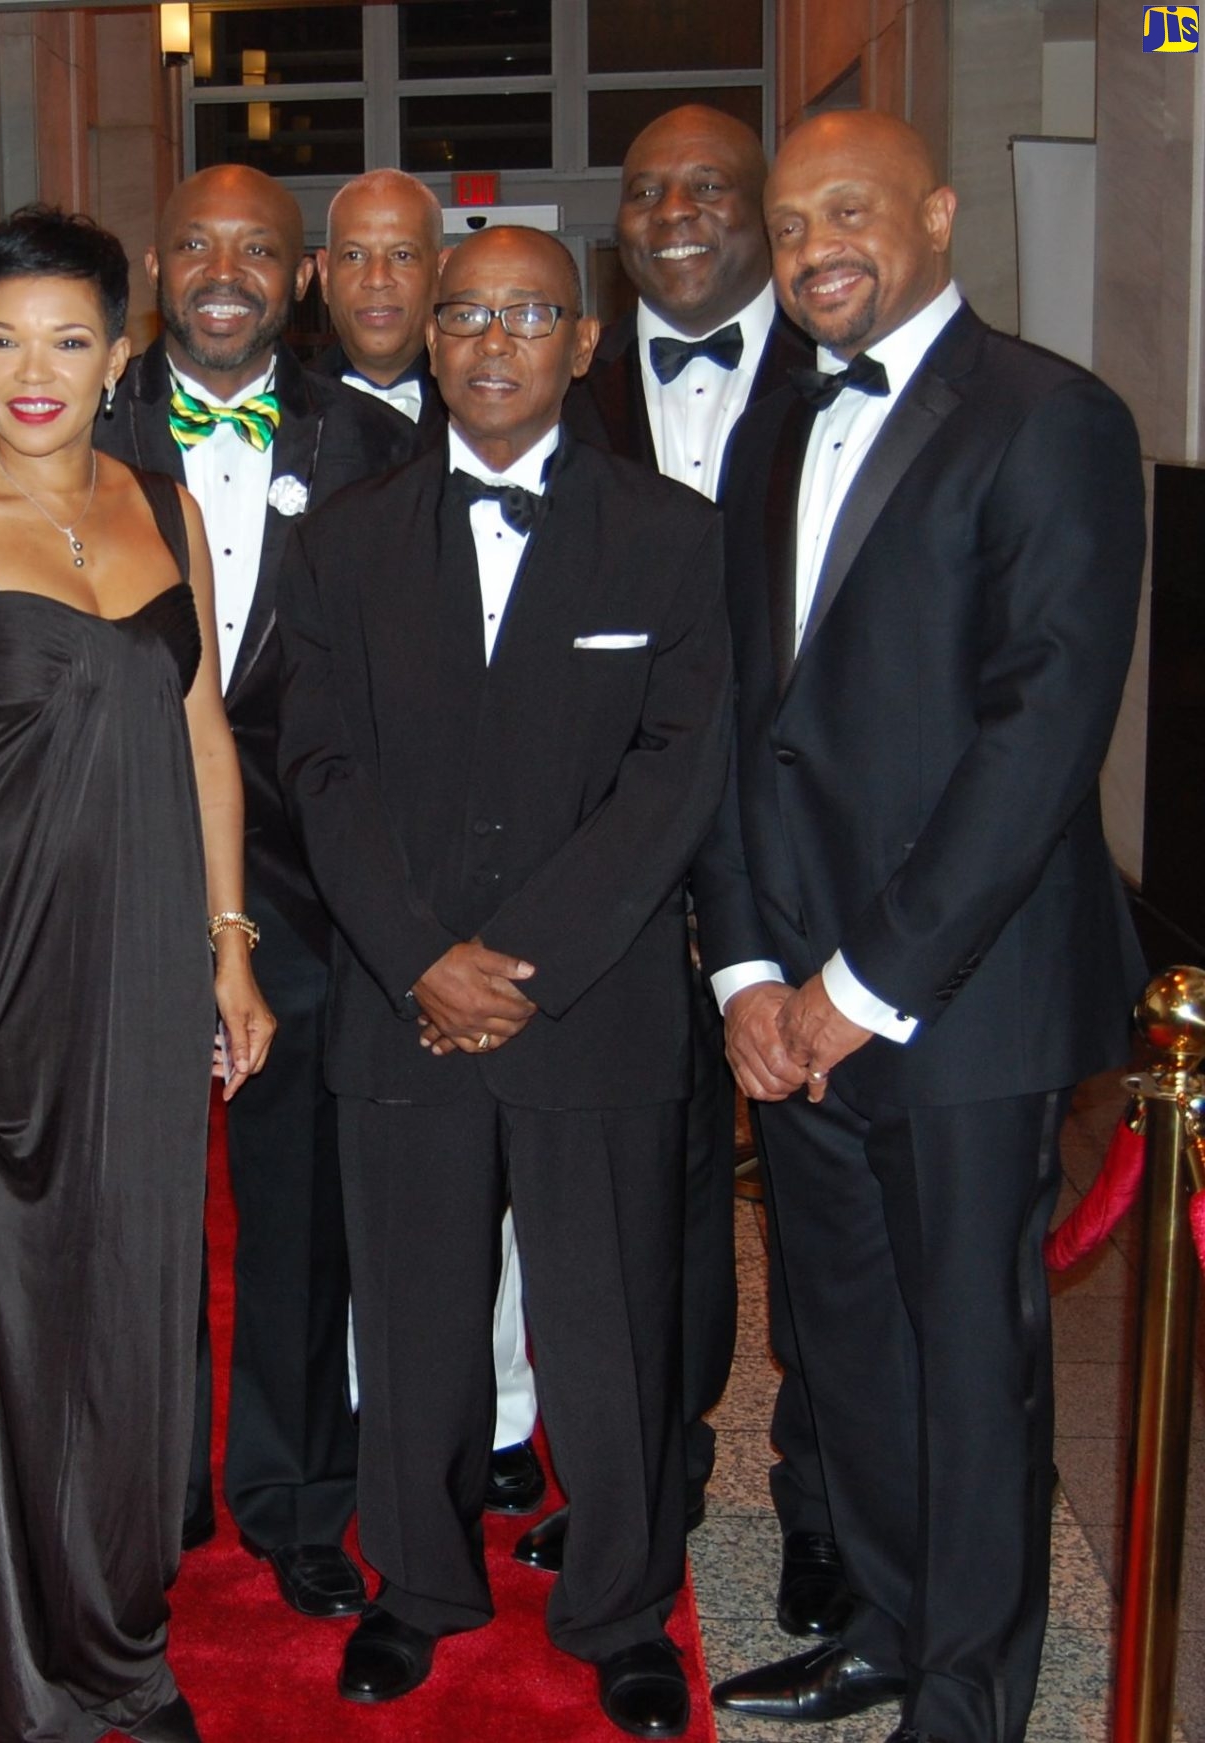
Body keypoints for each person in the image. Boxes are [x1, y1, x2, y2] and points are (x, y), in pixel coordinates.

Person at [695, 112, 1145, 1743]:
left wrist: (856, 985)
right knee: (849, 1346)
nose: (816, 240)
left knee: (969, 1363)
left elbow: (1037, 739)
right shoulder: (765, 424)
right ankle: (882, 1622)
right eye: (792, 215)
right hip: (786, 992)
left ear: (937, 215)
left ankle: (967, 1692)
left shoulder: (1052, 419)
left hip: (961, 998)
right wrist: (747, 967)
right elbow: (744, 713)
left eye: (852, 209)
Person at [278, 224, 732, 1738]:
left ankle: (619, 1607)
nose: (487, 342)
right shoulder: (346, 536)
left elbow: (678, 774)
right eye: (463, 314)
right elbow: (319, 765)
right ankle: (420, 1584)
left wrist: (522, 962)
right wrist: (418, 954)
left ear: (582, 339)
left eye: (526, 314)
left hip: (591, 1004)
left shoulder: (672, 536)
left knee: (610, 1328)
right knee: (411, 1317)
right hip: (400, 999)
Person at [0, 205, 274, 1743]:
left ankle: (131, 1635)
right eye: (8, 340)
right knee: (32, 1337)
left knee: (148, 1313)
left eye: (71, 339)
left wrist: (230, 946)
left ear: (118, 352)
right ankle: (51, 1687)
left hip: (155, 959)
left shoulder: (164, 501)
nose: (37, 371)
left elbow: (204, 731)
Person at [530, 103, 848, 1641]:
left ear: (764, 218)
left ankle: (823, 1507)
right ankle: (636, 1472)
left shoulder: (840, 373)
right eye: (645, 191)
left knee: (820, 1214)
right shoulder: (562, 395)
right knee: (636, 1208)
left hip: (805, 877)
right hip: (619, 878)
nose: (672, 213)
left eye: (708, 189)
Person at [96, 163, 416, 1620]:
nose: (224, 268)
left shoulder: (377, 440)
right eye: (195, 245)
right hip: (103, 883)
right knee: (126, 1208)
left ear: (301, 278)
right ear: (159, 268)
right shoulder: (63, 421)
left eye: (258, 250)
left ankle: (296, 1495)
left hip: (306, 890)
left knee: (300, 1214)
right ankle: (137, 1490)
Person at [313, 164, 547, 1529]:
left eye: (417, 261)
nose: (390, 286)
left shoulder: (600, 471)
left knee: (523, 1192)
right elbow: (314, 736)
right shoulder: (304, 456)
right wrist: (407, 942)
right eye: (362, 259)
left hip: (534, 910)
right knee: (382, 1201)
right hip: (363, 896)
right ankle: (386, 1426)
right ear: (323, 277)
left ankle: (511, 1417)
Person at [312, 168, 449, 450]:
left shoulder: (486, 412)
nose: (377, 279)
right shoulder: (274, 412)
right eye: (354, 255)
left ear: (440, 273)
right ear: (325, 275)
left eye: (402, 255)